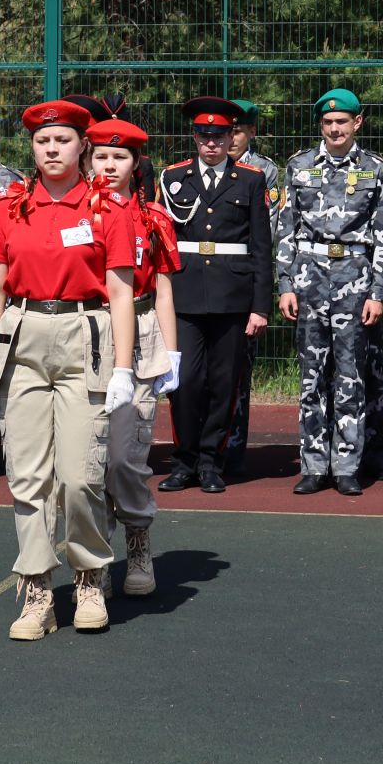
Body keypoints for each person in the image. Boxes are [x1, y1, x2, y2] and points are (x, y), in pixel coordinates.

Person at [0, 100, 137, 638]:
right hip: (23, 338)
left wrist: (123, 369)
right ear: (33, 148)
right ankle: (38, 591)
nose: (52, 150)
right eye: (43, 142)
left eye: (63, 141)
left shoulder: (108, 209)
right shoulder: (9, 207)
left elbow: (120, 292)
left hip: (84, 339)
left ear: (82, 146)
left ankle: (89, 577)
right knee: (27, 475)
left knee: (79, 474)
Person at [275, 89, 383, 496]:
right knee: (311, 377)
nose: (335, 128)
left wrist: (378, 292)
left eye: (342, 121)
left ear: (357, 123)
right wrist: (285, 284)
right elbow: (286, 229)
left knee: (350, 375)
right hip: (309, 278)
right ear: (320, 126)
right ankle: (313, 463)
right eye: (327, 122)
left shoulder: (377, 169)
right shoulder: (299, 167)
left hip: (355, 279)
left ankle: (346, 465)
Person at [157, 96, 273, 494]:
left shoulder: (251, 180)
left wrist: (260, 307)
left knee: (224, 384)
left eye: (220, 135)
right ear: (194, 137)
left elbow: (261, 246)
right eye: (204, 135)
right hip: (185, 295)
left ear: (230, 138)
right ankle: (184, 459)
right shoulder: (172, 178)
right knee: (185, 381)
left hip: (232, 297)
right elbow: (163, 241)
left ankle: (211, 462)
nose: (212, 143)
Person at [87, 118, 180, 596]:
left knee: (126, 457)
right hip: (86, 333)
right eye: (101, 156)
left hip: (141, 336)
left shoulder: (153, 217)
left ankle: (138, 539)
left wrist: (173, 350)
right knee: (92, 457)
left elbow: (162, 288)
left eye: (119, 157)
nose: (109, 165)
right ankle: (97, 556)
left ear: (136, 163)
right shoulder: (76, 214)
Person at [222, 98, 280, 478]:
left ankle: (234, 450)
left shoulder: (265, 172)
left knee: (239, 371)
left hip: (243, 282)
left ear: (251, 132)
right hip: (209, 282)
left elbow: (267, 232)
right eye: (225, 131)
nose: (229, 139)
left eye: (238, 130)